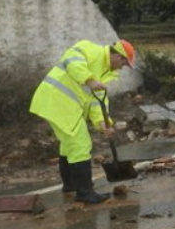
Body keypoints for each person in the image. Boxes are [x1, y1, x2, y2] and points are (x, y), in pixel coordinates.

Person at [30, 39, 136, 204]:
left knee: (68, 146)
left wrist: (103, 122)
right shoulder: (90, 49)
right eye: (124, 62)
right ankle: (85, 192)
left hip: (63, 105)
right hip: (57, 101)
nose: (123, 67)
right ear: (117, 55)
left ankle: (71, 185)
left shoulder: (106, 72)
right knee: (80, 144)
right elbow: (71, 61)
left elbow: (97, 100)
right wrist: (89, 80)